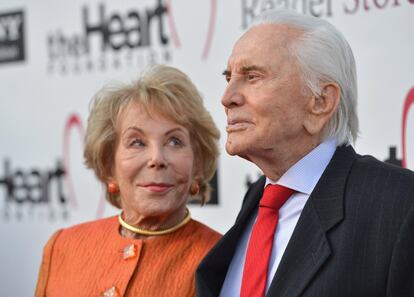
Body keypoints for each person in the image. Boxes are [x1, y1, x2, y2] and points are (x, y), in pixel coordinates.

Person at [196, 9, 414, 297]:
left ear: (320, 101)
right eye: (229, 78)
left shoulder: (400, 205)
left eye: (252, 76)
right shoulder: (258, 199)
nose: (227, 98)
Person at [35, 64, 221, 297]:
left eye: (174, 141)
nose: (156, 158)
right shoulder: (63, 246)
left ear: (198, 164)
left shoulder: (222, 260)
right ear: (109, 165)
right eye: (137, 142)